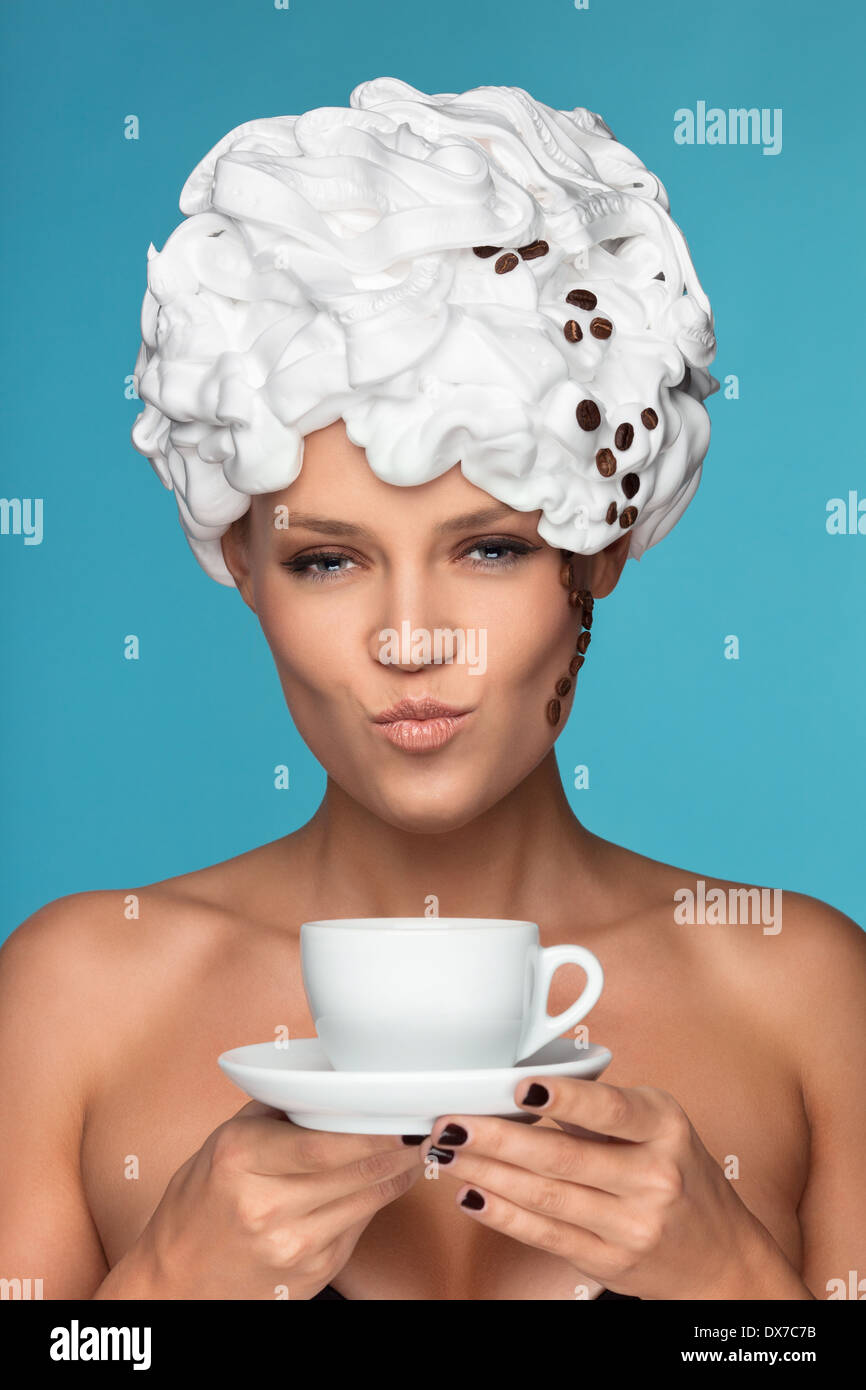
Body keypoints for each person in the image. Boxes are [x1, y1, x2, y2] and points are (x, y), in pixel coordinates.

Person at [1, 79, 863, 1302]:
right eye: (327, 559)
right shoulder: (76, 992)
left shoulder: (799, 990)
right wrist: (165, 1291)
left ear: (596, 553)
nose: (409, 640)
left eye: (489, 547)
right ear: (241, 564)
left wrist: (732, 1286)